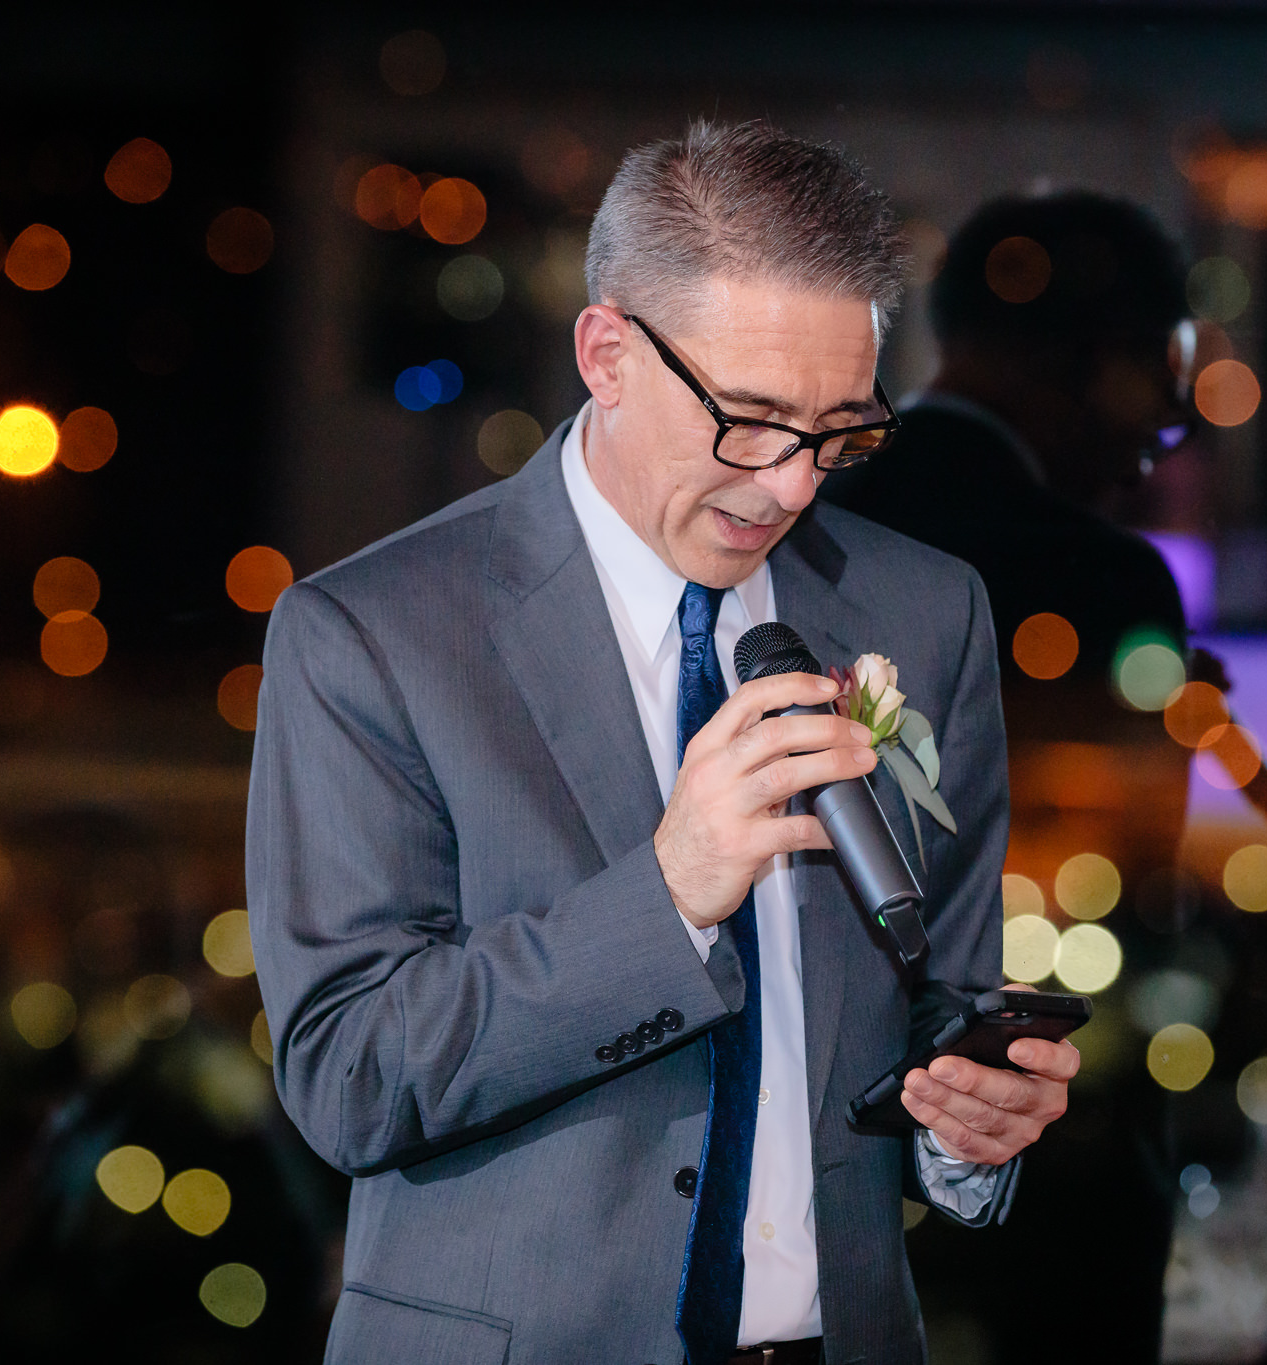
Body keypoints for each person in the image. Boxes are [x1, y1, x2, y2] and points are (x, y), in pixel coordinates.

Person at [246, 122, 1081, 1365]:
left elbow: (937, 994)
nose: (792, 486)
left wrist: (966, 1130)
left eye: (837, 431)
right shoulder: (372, 635)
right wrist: (670, 891)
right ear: (606, 354)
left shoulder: (923, 611)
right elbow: (352, 1076)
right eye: (746, 422)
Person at [827, 193, 1199, 1360]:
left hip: (830, 1149)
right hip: (1042, 1144)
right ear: (1097, 360)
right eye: (1166, 366)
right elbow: (1133, 892)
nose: (1175, 419)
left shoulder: (817, 519)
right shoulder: (1101, 576)